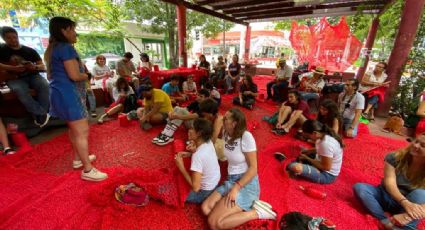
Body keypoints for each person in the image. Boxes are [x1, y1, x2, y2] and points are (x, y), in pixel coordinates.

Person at [44, 17, 107, 181]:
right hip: (68, 94)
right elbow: (74, 75)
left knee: (74, 129)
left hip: (60, 93)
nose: (75, 33)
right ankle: (88, 170)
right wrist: (87, 75)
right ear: (64, 31)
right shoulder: (65, 48)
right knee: (81, 132)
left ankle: (78, 159)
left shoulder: (53, 48)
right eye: (72, 29)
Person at [202, 108, 276, 230]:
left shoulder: (246, 137)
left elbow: (253, 169)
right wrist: (218, 125)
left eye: (226, 118)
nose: (222, 119)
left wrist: (236, 188)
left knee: (214, 224)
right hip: (231, 179)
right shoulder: (226, 133)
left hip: (246, 182)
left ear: (234, 123)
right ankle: (228, 216)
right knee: (206, 208)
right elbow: (212, 140)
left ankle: (257, 212)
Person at [353, 133, 425, 230]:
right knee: (360, 188)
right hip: (387, 195)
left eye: (423, 145)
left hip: (410, 204)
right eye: (416, 141)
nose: (416, 145)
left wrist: (407, 216)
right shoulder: (395, 156)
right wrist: (405, 203)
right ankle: (386, 222)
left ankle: (407, 226)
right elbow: (389, 182)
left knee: (420, 194)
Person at [0, 26, 50, 127]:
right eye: (9, 38)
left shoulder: (29, 50)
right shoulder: (1, 50)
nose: (13, 40)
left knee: (45, 85)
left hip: (33, 75)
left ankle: (40, 116)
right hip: (14, 78)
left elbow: (42, 65)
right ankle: (43, 113)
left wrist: (34, 67)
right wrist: (13, 68)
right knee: (20, 90)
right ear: (4, 39)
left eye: (14, 37)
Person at [174, 118, 221, 204]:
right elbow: (205, 158)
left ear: (199, 133)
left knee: (169, 190)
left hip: (203, 193)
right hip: (214, 184)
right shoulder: (208, 142)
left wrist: (181, 167)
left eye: (192, 128)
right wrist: (190, 154)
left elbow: (196, 188)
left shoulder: (198, 155)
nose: (189, 130)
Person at [286, 120, 344, 184]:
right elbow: (319, 149)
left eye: (308, 136)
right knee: (301, 152)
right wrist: (307, 151)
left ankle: (296, 165)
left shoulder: (326, 144)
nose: (308, 138)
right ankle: (301, 164)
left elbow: (326, 167)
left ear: (314, 133)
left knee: (295, 167)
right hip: (320, 161)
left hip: (326, 175)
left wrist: (307, 158)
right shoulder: (322, 136)